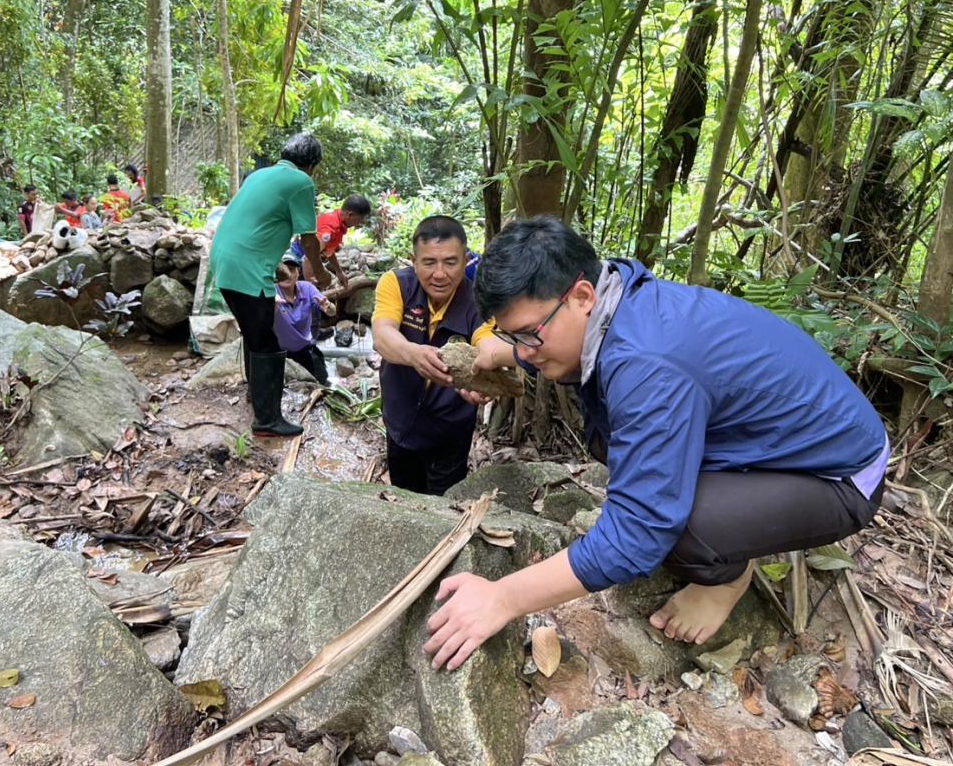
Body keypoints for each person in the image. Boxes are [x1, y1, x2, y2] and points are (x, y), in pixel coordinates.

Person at [422, 216, 889, 671]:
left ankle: (726, 579)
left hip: (838, 475)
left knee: (678, 525)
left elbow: (638, 533)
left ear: (582, 295)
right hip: (773, 445)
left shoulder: (649, 364)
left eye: (530, 335)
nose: (525, 350)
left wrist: (502, 598)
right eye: (514, 336)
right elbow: (567, 340)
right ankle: (735, 523)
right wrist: (505, 353)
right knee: (618, 446)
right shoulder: (620, 300)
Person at [372, 215, 514, 495]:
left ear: (465, 260)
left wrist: (493, 370)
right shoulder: (396, 284)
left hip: (450, 431)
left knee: (444, 503)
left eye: (450, 262)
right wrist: (413, 354)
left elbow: (487, 341)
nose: (440, 274)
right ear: (414, 260)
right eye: (429, 262)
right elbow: (382, 335)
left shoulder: (479, 301)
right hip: (399, 421)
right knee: (404, 497)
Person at [209, 133, 329, 438]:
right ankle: (267, 420)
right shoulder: (301, 182)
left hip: (224, 261)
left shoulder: (259, 175)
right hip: (247, 270)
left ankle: (257, 396)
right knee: (267, 343)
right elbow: (308, 239)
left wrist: (276, 266)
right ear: (312, 165)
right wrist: (321, 272)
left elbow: (255, 226)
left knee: (254, 334)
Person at [273, 260, 334, 385]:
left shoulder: (307, 288)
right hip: (278, 351)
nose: (287, 275)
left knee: (321, 380)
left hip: (304, 347)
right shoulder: (271, 292)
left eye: (291, 269)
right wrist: (272, 307)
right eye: (282, 271)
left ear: (298, 272)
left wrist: (329, 308)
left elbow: (332, 311)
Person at [291, 194, 371, 288]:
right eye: (360, 219)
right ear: (350, 215)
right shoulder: (331, 228)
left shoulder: (337, 222)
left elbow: (328, 250)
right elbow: (308, 258)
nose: (359, 223)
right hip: (296, 259)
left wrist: (339, 271)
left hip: (305, 259)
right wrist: (311, 289)